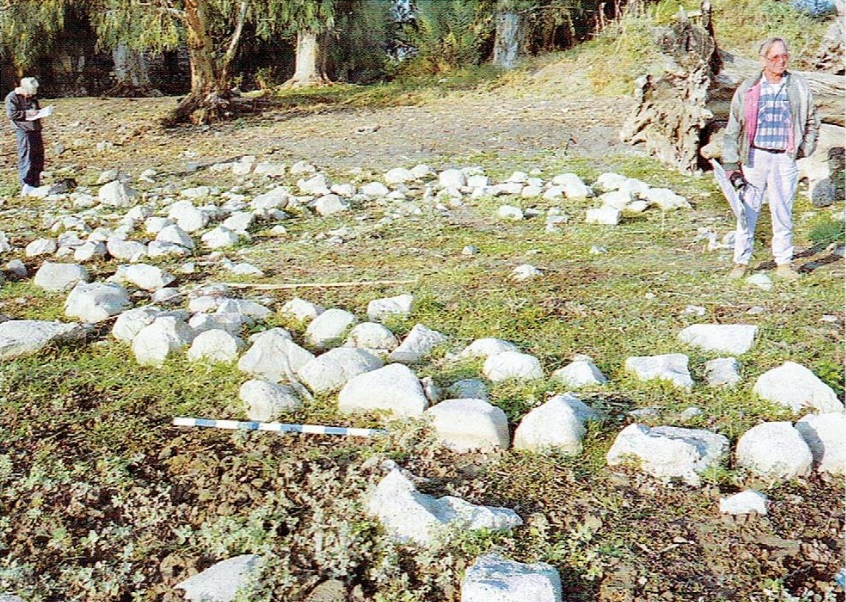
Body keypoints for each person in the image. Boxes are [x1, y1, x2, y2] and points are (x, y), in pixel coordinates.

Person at [722, 37, 819, 281]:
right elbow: (733, 127)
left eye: (784, 55)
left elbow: (811, 121)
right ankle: (741, 261)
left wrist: (803, 149)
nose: (780, 61)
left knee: (783, 209)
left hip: (784, 157)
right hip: (755, 156)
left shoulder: (798, 85)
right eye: (774, 57)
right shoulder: (749, 88)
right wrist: (732, 164)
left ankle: (784, 263)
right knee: (748, 210)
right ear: (763, 59)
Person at [5, 77, 47, 197]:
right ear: (23, 88)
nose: (30, 95)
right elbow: (11, 114)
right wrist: (27, 113)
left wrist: (39, 112)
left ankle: (35, 183)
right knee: (26, 156)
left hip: (35, 128)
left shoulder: (32, 97)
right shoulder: (12, 97)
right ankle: (25, 185)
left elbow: (36, 108)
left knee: (38, 156)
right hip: (23, 130)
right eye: (28, 92)